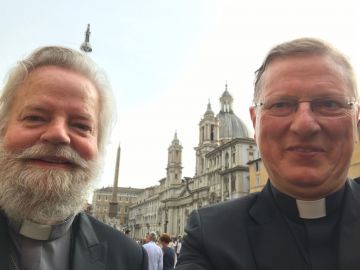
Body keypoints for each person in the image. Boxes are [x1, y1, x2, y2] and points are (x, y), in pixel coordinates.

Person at [175, 37, 360, 270]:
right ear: (255, 123)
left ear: (355, 120)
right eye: (281, 104)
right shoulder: (208, 235)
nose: (304, 125)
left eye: (330, 104)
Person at [0, 46, 148, 269]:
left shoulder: (128, 258)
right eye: (35, 117)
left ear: (98, 147)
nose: (59, 134)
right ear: (2, 130)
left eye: (81, 125)